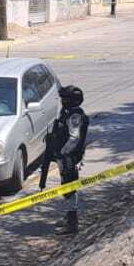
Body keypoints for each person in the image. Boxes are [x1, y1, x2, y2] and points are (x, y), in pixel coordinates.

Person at [39, 85, 89, 233]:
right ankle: (69, 217)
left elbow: (74, 138)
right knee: (66, 186)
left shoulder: (75, 116)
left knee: (69, 188)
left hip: (69, 158)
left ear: (72, 100)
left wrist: (62, 153)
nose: (62, 101)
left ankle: (72, 224)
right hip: (65, 157)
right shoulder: (67, 112)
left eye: (65, 99)